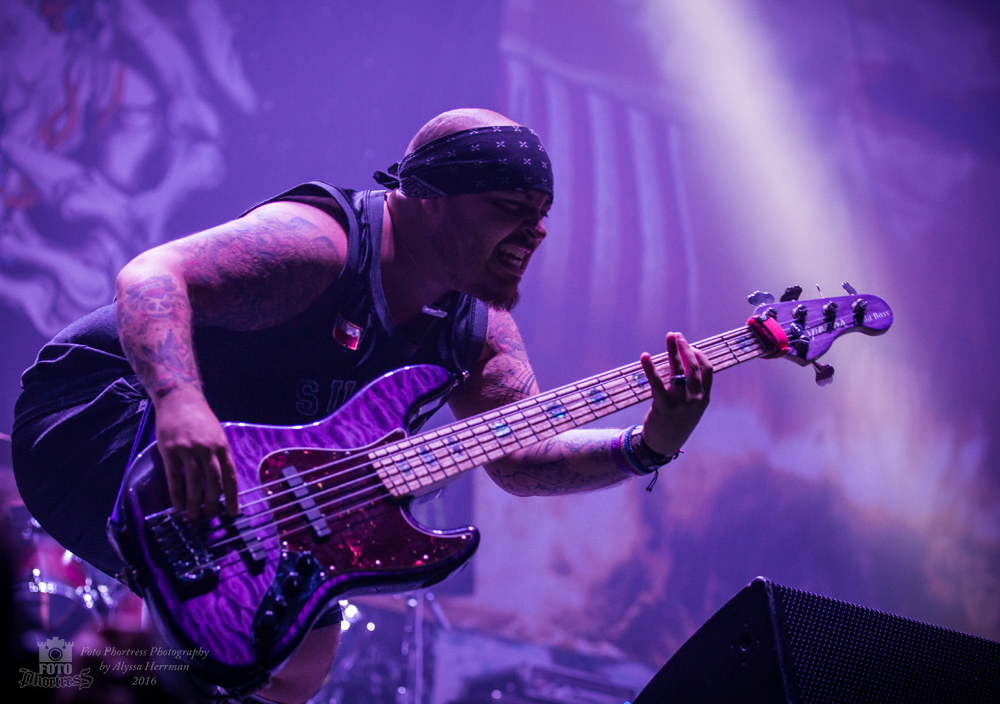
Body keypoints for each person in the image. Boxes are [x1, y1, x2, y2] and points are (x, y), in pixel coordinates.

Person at [11, 108, 713, 703]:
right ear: (433, 196)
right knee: (202, 652)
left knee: (298, 669)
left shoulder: (479, 329)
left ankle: (100, 674)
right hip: (100, 415)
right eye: (511, 209)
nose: (537, 232)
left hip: (250, 473)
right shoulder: (319, 247)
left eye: (542, 216)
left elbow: (519, 458)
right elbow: (151, 276)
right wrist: (179, 402)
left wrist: (648, 443)